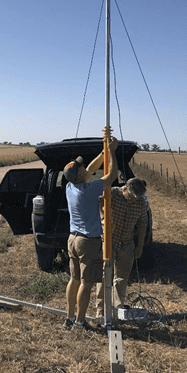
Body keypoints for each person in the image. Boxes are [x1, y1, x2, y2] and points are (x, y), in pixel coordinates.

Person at [62, 136, 115, 330]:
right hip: (87, 242)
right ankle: (80, 321)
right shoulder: (89, 189)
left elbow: (90, 170)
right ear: (79, 175)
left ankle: (70, 317)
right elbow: (112, 176)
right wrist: (112, 154)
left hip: (72, 239)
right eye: (82, 168)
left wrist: (104, 153)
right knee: (86, 282)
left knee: (74, 279)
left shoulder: (70, 186)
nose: (86, 169)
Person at [106, 176, 151, 312]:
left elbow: (143, 224)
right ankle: (103, 309)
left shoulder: (141, 201)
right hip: (109, 241)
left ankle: (117, 306)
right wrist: (103, 217)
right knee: (104, 276)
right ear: (124, 188)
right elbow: (99, 203)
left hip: (126, 242)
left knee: (121, 277)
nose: (134, 199)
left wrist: (140, 245)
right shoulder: (113, 193)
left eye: (137, 197)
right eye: (131, 196)